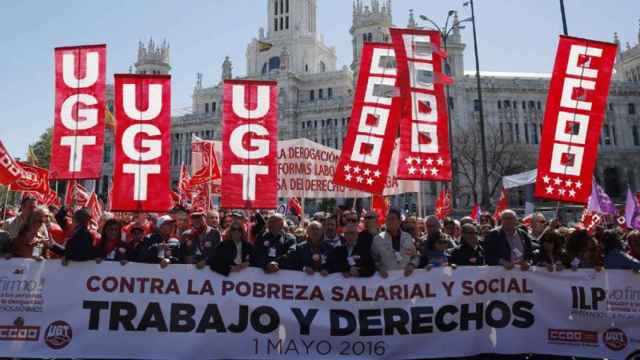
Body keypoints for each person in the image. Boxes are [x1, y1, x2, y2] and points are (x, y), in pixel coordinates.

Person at [371, 209, 419, 278]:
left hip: (406, 280)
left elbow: (415, 257)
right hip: (386, 281)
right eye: (388, 219)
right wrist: (379, 267)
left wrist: (412, 265)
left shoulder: (407, 237)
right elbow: (373, 259)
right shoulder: (378, 239)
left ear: (399, 221)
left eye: (393, 219)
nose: (390, 222)